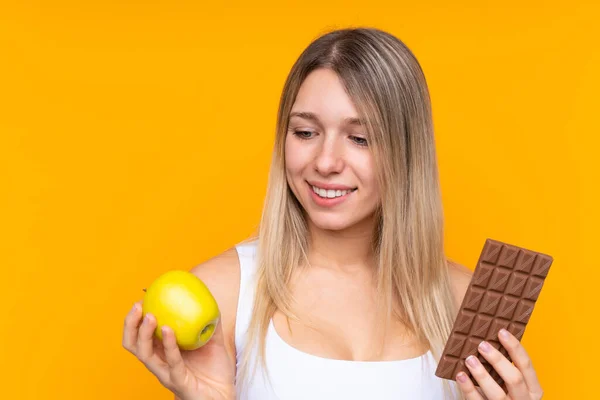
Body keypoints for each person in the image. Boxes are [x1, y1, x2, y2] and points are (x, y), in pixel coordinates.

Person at [122, 27, 545, 400]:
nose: (325, 161)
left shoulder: (466, 302)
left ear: (407, 153)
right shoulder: (223, 295)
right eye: (305, 132)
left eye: (360, 138)